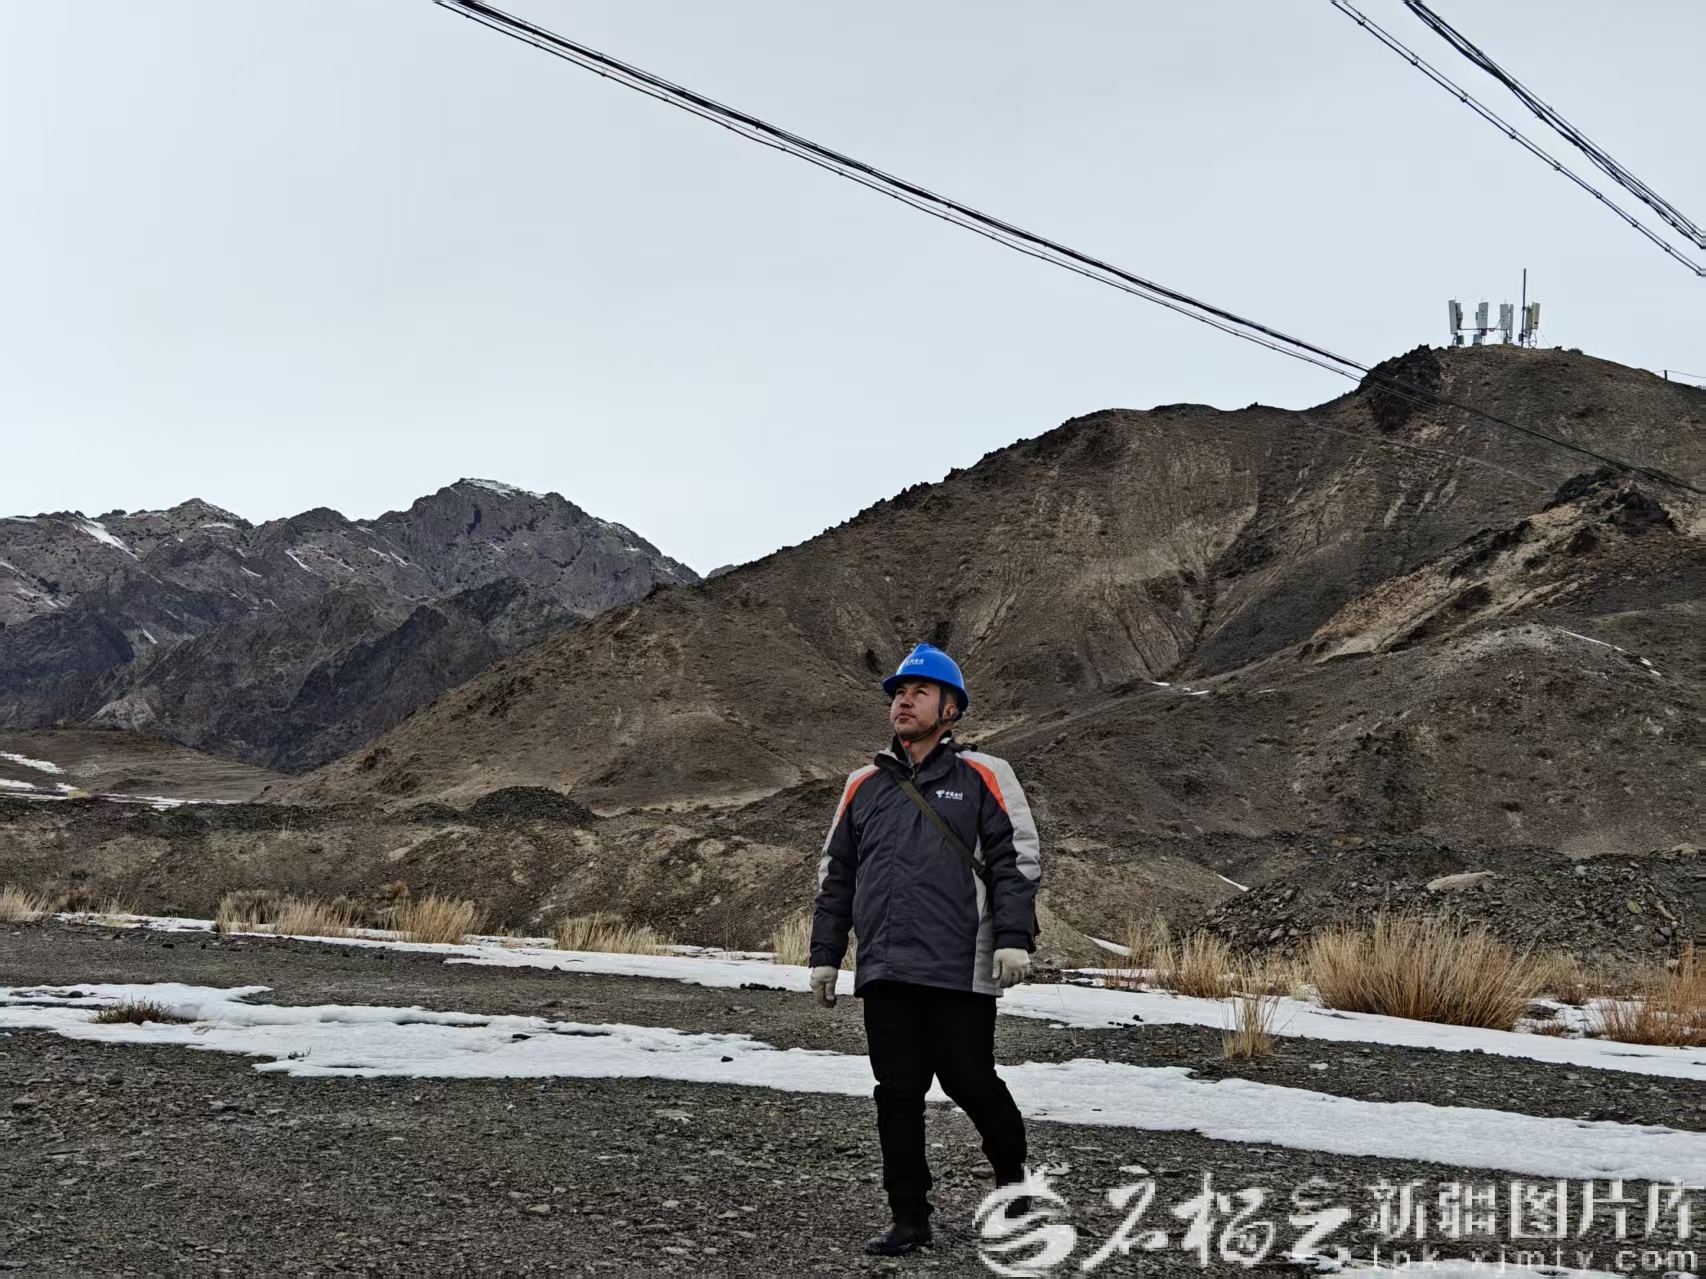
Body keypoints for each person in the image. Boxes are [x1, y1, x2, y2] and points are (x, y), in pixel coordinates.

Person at [808, 641, 1041, 1256]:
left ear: (950, 708)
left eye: (919, 692)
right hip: (885, 965)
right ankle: (909, 1218)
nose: (904, 702)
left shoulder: (985, 774)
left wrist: (1013, 939)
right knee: (897, 1092)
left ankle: (1013, 1182)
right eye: (898, 693)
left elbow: (1015, 860)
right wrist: (826, 955)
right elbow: (837, 874)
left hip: (959, 963)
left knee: (971, 1081)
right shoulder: (863, 785)